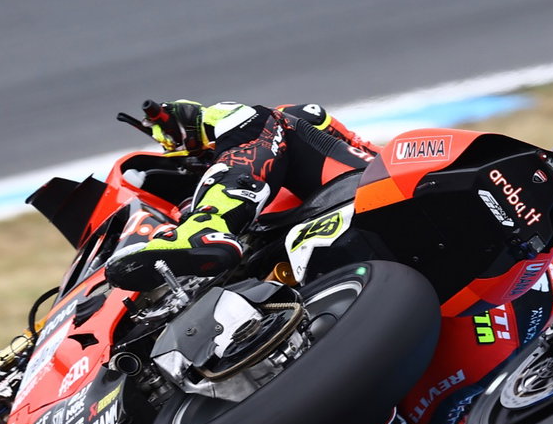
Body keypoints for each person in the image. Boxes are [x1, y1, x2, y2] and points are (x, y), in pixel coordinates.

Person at [106, 98, 378, 286]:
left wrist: (199, 120)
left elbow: (306, 116)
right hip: (379, 274)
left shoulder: (290, 122)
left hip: (373, 189)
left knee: (261, 117)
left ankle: (205, 224)